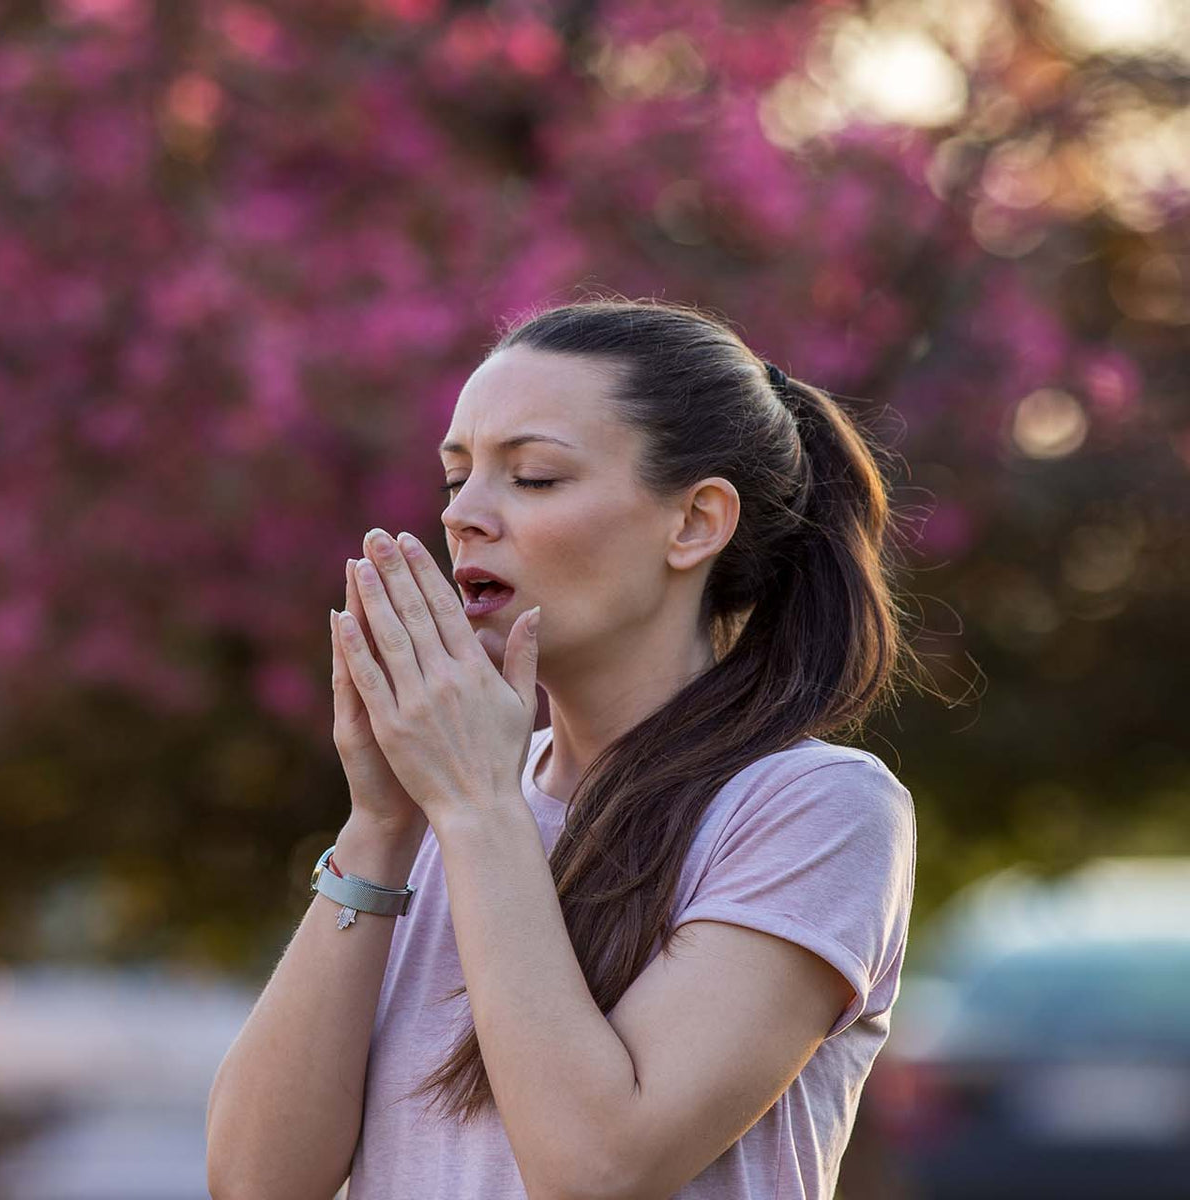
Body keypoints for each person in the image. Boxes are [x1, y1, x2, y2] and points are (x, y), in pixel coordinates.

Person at [206, 296, 919, 1200]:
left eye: (533, 477)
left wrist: (472, 809)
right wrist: (382, 820)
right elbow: (253, 1181)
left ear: (695, 522)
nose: (464, 514)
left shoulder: (817, 808)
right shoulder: (453, 800)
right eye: (454, 478)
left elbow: (597, 1168)